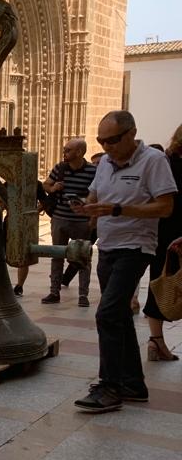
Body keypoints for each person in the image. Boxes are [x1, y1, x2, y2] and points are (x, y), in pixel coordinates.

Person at [73, 111, 177, 413]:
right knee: (118, 316)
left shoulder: (153, 161)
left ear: (132, 133)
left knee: (107, 314)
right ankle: (133, 384)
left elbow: (166, 207)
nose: (106, 147)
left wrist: (118, 210)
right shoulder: (104, 162)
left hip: (136, 246)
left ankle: (110, 385)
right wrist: (87, 207)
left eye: (112, 141)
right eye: (101, 141)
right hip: (107, 245)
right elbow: (95, 192)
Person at [41, 138, 97, 306]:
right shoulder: (60, 168)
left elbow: (97, 192)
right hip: (60, 218)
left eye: (68, 150)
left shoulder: (92, 171)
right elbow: (46, 185)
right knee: (57, 255)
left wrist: (85, 203)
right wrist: (53, 188)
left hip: (81, 220)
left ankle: (83, 296)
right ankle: (54, 292)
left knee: (83, 257)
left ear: (79, 152)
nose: (64, 153)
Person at [143, 124, 182, 360]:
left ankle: (155, 342)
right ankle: (156, 343)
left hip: (163, 234)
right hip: (173, 235)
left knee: (159, 283)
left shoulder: (164, 163)